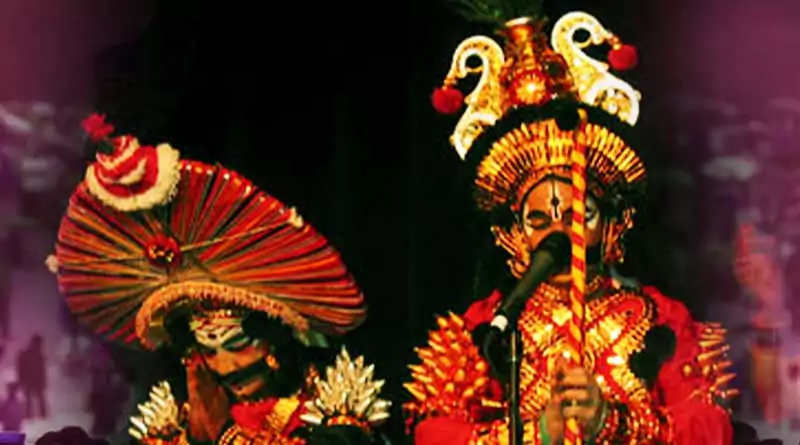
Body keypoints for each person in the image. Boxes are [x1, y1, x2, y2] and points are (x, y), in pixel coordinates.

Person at [403, 5, 736, 444]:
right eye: (538, 219)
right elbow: (433, 432)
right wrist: (537, 433)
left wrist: (611, 424)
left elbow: (710, 427)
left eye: (578, 216)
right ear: (513, 235)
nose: (557, 234)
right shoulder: (487, 328)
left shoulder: (661, 321)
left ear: (614, 226)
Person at [48, 114, 391, 444]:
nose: (227, 366)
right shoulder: (176, 423)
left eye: (238, 345)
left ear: (275, 339)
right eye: (209, 351)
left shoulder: (332, 410)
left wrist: (224, 434)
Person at [16, 333, 47, 419]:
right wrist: (21, 380)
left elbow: (42, 370)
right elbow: (20, 368)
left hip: (36, 380)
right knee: (30, 400)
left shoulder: (39, 355)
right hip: (29, 380)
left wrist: (43, 381)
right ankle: (31, 416)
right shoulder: (25, 354)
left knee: (39, 398)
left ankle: (42, 415)